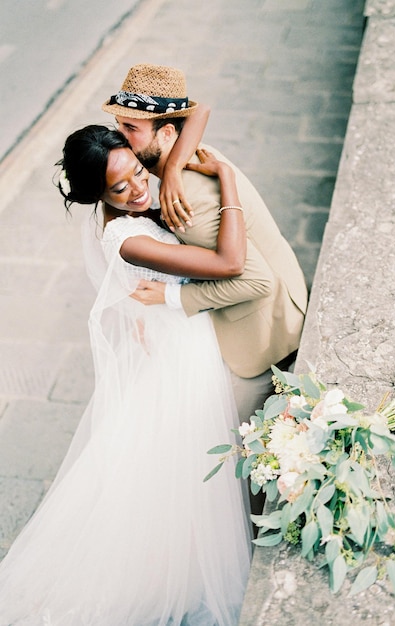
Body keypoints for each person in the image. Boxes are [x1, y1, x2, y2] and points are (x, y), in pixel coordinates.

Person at [0, 126, 253, 626]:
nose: (140, 187)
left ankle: (179, 567)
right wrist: (225, 175)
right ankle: (160, 577)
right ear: (100, 195)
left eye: (139, 170)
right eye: (121, 187)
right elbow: (230, 262)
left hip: (178, 341)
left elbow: (194, 111)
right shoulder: (126, 238)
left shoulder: (137, 209)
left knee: (178, 468)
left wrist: (171, 164)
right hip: (180, 354)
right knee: (182, 466)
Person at [102, 63, 308, 423]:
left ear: (167, 133)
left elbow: (254, 279)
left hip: (262, 335)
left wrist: (171, 297)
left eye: (130, 128)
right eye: (119, 124)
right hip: (281, 296)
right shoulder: (188, 153)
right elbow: (199, 112)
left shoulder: (186, 200)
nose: (119, 136)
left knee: (223, 448)